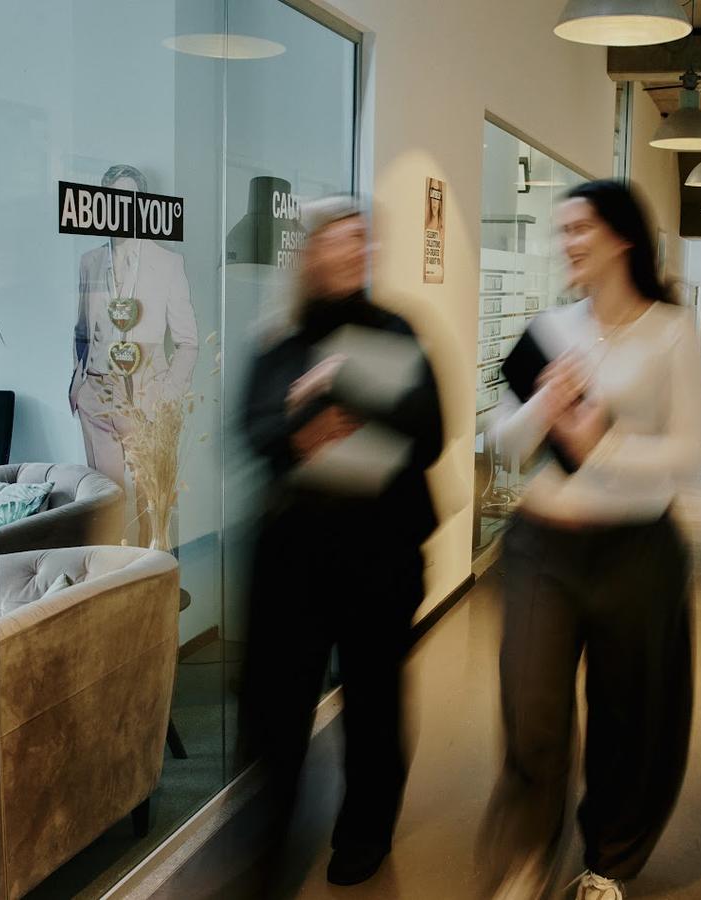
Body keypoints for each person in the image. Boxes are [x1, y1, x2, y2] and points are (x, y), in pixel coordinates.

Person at [484, 180, 701, 900]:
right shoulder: (550, 327)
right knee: (532, 716)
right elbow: (501, 443)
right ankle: (526, 854)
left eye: (579, 227)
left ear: (621, 236)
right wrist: (545, 406)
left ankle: (606, 861)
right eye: (562, 231)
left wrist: (602, 442)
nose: (567, 243)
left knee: (627, 717)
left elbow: (690, 451)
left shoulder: (673, 331)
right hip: (541, 551)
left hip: (636, 553)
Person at [239, 196, 445, 888]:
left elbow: (431, 432)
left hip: (379, 551)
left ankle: (365, 834)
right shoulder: (281, 337)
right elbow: (254, 430)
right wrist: (300, 431)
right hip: (294, 555)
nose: (352, 253)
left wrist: (348, 390)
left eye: (362, 242)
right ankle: (270, 844)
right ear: (311, 254)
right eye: (337, 242)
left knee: (374, 703)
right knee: (281, 707)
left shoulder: (397, 329)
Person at [69, 164, 199, 547]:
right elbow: (80, 329)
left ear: (142, 205)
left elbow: (189, 341)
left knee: (150, 502)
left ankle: (148, 581)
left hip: (146, 396)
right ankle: (112, 584)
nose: (121, 208)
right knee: (107, 501)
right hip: (96, 394)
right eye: (113, 199)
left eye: (129, 200)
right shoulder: (90, 261)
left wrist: (167, 394)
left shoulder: (168, 263)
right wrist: (77, 383)